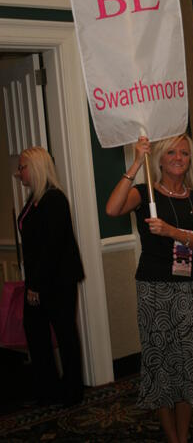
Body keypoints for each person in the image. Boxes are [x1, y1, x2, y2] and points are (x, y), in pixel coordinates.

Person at [106, 134, 193, 443]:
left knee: (189, 364)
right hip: (154, 289)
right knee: (163, 363)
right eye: (171, 152)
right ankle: (174, 439)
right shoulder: (145, 193)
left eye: (184, 152)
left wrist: (170, 231)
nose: (179, 157)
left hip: (189, 289)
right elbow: (112, 209)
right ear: (160, 159)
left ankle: (184, 435)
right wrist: (137, 161)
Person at [16, 146, 84, 407]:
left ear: (35, 168)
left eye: (22, 166)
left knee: (65, 333)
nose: (19, 172)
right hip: (39, 279)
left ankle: (72, 391)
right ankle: (47, 389)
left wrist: (36, 285)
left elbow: (52, 247)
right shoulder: (34, 198)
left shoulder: (54, 199)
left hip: (57, 281)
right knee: (35, 332)